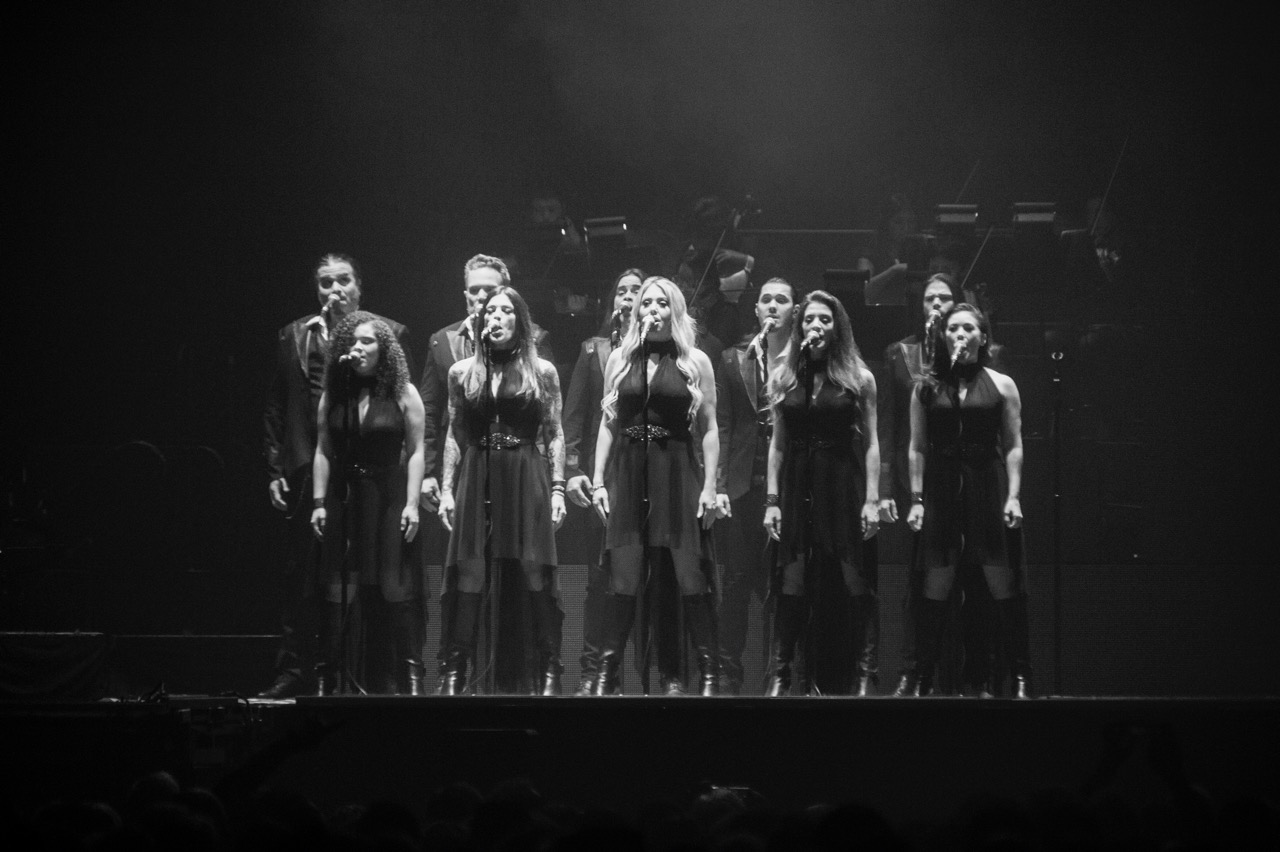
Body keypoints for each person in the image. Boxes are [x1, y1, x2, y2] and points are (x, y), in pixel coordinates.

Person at [259, 254, 412, 699]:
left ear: (359, 286)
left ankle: (376, 672)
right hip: (309, 467)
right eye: (326, 283)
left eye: (343, 280)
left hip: (367, 470)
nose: (335, 290)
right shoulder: (295, 334)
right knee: (304, 576)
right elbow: (277, 404)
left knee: (374, 577)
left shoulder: (388, 332)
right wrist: (275, 466)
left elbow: (407, 411)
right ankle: (298, 671)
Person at [418, 254, 553, 687]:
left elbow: (553, 432)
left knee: (532, 567)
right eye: (484, 304)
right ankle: (455, 668)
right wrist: (447, 486)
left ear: (519, 315)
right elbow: (452, 429)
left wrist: (557, 489)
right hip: (478, 470)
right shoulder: (459, 366)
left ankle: (548, 665)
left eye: (501, 306)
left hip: (523, 470)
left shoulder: (541, 368)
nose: (491, 313)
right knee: (471, 569)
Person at [590, 277, 722, 696]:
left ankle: (709, 674)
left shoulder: (695, 361)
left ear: (675, 310)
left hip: (677, 467)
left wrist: (710, 486)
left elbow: (710, 428)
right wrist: (598, 480)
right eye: (645, 303)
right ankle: (606, 675)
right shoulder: (620, 359)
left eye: (662, 303)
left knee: (688, 574)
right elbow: (608, 423)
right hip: (630, 467)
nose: (652, 310)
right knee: (624, 576)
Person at [906, 302, 1031, 698]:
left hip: (986, 482)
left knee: (1001, 580)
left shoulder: (1002, 384)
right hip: (943, 485)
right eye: (952, 329)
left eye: (968, 328)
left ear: (982, 335)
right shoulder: (926, 387)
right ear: (943, 336)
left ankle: (1020, 675)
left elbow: (1013, 444)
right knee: (937, 580)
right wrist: (917, 498)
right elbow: (917, 446)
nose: (959, 335)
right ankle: (922, 677)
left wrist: (1014, 496)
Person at [763, 291, 881, 696]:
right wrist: (772, 501)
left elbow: (872, 443)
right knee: (792, 577)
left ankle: (865, 674)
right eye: (810, 319)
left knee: (854, 576)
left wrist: (872, 499)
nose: (816, 326)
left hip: (841, 480)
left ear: (837, 327)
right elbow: (777, 445)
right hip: (798, 481)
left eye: (825, 320)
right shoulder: (785, 376)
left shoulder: (859, 377)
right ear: (801, 327)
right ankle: (781, 675)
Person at [309, 311, 426, 695]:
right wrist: (319, 501)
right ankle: (327, 674)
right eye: (351, 342)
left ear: (384, 348)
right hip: (346, 493)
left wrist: (412, 503)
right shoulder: (335, 393)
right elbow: (323, 450)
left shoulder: (402, 391)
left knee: (393, 582)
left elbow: (416, 450)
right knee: (338, 583)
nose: (357, 348)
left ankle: (408, 675)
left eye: (366, 341)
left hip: (388, 492)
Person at [713, 277, 797, 695]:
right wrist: (719, 484)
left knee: (781, 585)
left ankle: (777, 677)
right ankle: (728, 677)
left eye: (782, 300)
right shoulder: (734, 358)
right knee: (736, 582)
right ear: (756, 310)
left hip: (787, 486)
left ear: (794, 311)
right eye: (766, 300)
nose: (773, 306)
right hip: (743, 485)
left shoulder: (802, 358)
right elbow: (723, 425)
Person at [562, 269, 644, 695]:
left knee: (643, 574)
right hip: (602, 475)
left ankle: (649, 677)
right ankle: (593, 675)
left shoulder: (666, 351)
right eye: (621, 291)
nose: (627, 298)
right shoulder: (593, 349)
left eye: (636, 291)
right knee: (600, 577)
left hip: (646, 470)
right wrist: (573, 471)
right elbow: (574, 416)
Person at [878, 272, 960, 696]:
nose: (937, 305)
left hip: (958, 476)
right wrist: (884, 489)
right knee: (918, 576)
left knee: (960, 575)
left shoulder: (969, 349)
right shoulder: (901, 353)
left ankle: (959, 675)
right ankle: (913, 670)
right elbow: (889, 423)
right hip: (911, 479)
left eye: (945, 298)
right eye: (930, 298)